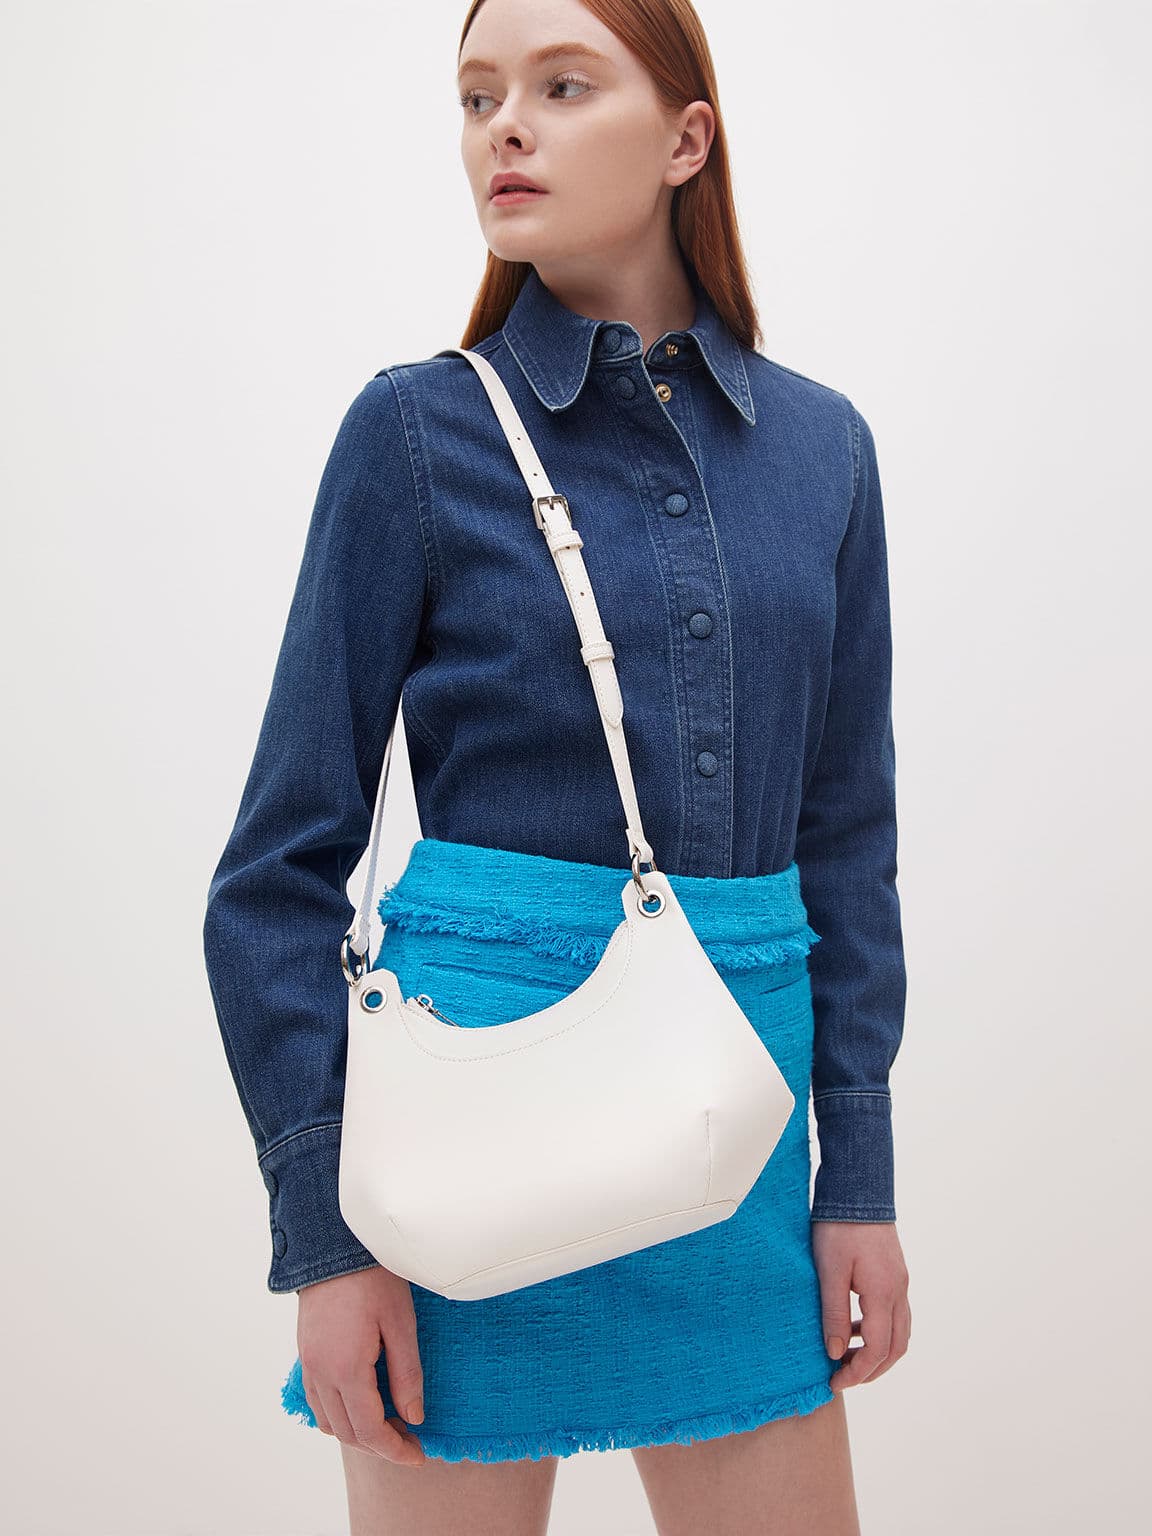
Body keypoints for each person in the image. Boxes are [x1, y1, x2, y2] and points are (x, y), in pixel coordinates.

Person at [202, 0, 912, 1529]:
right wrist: (327, 1240)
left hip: (743, 1159)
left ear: (686, 139)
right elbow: (274, 872)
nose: (504, 127)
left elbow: (849, 844)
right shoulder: (415, 434)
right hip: (456, 1157)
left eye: (562, 85)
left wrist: (857, 1177)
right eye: (477, 97)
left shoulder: (825, 452)